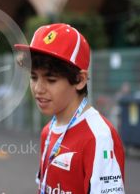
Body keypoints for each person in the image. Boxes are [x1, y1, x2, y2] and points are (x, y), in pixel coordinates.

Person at [15, 23, 125, 194]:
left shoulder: (98, 137)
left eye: (51, 79)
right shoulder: (48, 131)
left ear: (80, 80)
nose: (38, 88)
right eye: (33, 77)